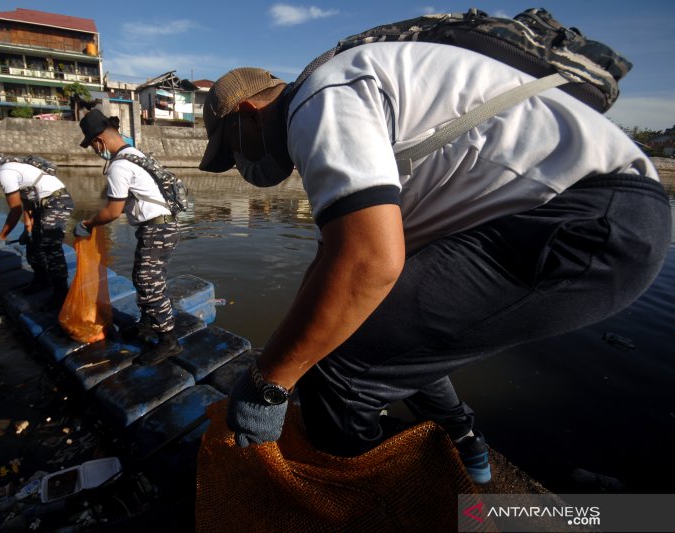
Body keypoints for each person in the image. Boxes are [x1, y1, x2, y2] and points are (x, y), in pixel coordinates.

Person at [198, 45, 671, 484]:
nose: (240, 165)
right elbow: (335, 263)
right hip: (598, 213)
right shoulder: (339, 96)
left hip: (585, 221)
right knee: (384, 334)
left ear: (247, 114)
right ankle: (467, 449)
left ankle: (381, 506)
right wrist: (290, 349)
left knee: (337, 370)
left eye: (231, 150)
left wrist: (269, 383)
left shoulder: (318, 100)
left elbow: (368, 263)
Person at [75, 109, 183, 362]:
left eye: (92, 145)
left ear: (99, 140)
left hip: (157, 229)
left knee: (149, 284)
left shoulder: (119, 166)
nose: (94, 150)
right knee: (142, 278)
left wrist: (88, 223)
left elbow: (113, 211)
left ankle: (168, 340)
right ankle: (147, 324)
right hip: (162, 227)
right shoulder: (136, 155)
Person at [0, 141, 74, 312]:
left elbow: (15, 209)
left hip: (56, 201)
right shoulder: (5, 166)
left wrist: (2, 236)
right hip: (41, 204)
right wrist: (27, 226)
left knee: (50, 247)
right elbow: (27, 196)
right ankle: (42, 280)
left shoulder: (5, 171)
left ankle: (61, 295)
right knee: (33, 244)